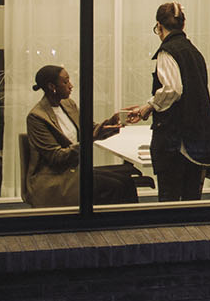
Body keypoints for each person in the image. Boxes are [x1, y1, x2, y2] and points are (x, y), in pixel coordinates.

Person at [121, 2, 210, 200]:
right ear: (183, 25)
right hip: (196, 137)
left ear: (159, 26)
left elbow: (173, 89)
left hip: (175, 140)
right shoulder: (193, 52)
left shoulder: (167, 52)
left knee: (169, 199)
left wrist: (149, 106)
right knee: (191, 198)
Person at [25, 65, 139, 207]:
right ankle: (111, 225)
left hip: (75, 171)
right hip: (55, 177)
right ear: (51, 86)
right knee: (116, 186)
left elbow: (91, 129)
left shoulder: (68, 104)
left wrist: (114, 120)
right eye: (65, 82)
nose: (71, 86)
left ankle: (130, 226)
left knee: (126, 181)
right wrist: (89, 139)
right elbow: (56, 157)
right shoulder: (37, 116)